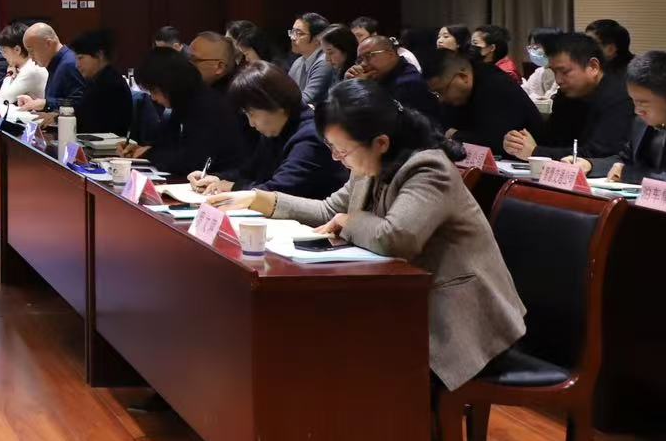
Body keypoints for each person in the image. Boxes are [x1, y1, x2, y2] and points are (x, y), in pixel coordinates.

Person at [217, 80, 526, 392]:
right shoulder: (368, 162)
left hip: (461, 322)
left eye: (342, 150)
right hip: (408, 305)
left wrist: (350, 220)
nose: (337, 158)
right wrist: (257, 199)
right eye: (332, 148)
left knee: (350, 364)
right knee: (318, 345)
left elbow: (396, 238)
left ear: (381, 142)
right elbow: (329, 210)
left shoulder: (428, 167)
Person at [189, 63, 346, 199]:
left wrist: (233, 187)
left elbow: (280, 191)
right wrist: (216, 178)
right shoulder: (276, 128)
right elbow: (249, 173)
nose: (251, 123)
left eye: (252, 114)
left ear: (275, 104)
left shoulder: (310, 135)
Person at [508, 32, 630, 163]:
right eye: (554, 72)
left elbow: (599, 154)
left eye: (565, 72)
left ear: (593, 67)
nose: (558, 80)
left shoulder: (620, 98)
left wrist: (536, 152)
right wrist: (518, 144)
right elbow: (551, 140)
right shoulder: (566, 95)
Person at [131, 47, 248, 177]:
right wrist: (144, 150)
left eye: (154, 91)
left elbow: (191, 162)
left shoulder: (207, 106)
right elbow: (167, 145)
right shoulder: (183, 103)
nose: (153, 98)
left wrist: (150, 154)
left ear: (170, 85)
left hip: (219, 181)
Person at [595, 51, 666, 183]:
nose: (637, 111)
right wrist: (590, 165)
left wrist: (631, 175)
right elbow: (625, 161)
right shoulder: (644, 116)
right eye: (634, 101)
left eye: (643, 103)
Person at [424, 49, 542, 157]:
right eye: (436, 93)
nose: (441, 99)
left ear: (463, 77)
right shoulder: (455, 97)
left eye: (442, 91)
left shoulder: (496, 85)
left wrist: (457, 135)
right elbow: (443, 131)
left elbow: (497, 142)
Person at [347, 34, 440, 120]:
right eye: (360, 60)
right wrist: (348, 85)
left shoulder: (407, 83)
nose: (363, 64)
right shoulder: (383, 75)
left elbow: (381, 120)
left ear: (390, 54)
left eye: (369, 56)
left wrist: (362, 87)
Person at [66, 30, 133, 137]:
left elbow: (91, 124)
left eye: (80, 58)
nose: (77, 65)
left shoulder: (110, 84)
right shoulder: (97, 80)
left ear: (99, 55)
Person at [287, 13, 332, 108]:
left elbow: (306, 99)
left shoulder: (325, 62)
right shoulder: (298, 62)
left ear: (318, 39)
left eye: (299, 33)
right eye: (292, 32)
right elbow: (285, 91)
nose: (292, 37)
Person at [0, 23, 47, 103]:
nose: (4, 56)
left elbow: (6, 98)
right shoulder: (26, 66)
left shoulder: (31, 69)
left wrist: (9, 74)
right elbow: (8, 92)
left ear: (17, 50)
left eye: (5, 51)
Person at [351, 16, 420, 70]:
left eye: (359, 35)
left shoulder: (403, 55)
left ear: (373, 35)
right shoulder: (358, 55)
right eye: (352, 36)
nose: (355, 40)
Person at [522, 27, 564, 101]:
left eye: (535, 47)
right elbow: (528, 93)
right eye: (530, 47)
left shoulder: (568, 72)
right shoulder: (539, 72)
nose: (532, 51)